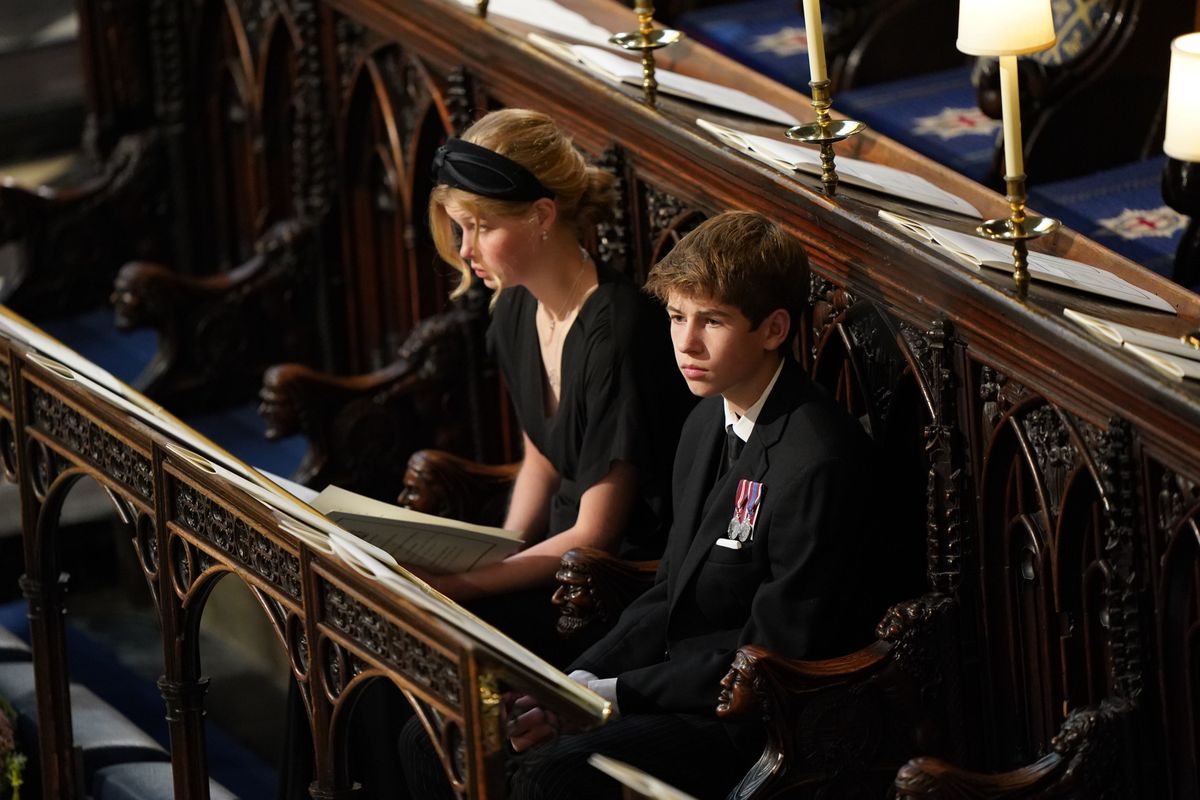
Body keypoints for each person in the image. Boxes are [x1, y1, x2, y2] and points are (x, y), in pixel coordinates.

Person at [401, 209, 882, 798]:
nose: (685, 343)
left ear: (774, 329)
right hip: (669, 683)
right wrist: (572, 682)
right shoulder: (706, 419)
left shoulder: (816, 459)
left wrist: (613, 695)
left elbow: (770, 657)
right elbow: (667, 591)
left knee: (549, 770)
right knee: (439, 730)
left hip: (745, 715)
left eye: (712, 321)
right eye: (678, 316)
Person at [416, 108, 692, 661]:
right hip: (552, 563)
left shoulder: (618, 333)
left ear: (542, 215)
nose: (466, 250)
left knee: (433, 647)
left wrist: (460, 588)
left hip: (610, 591)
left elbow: (598, 537)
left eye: (483, 226)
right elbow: (542, 459)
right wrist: (499, 550)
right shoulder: (513, 307)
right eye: (461, 227)